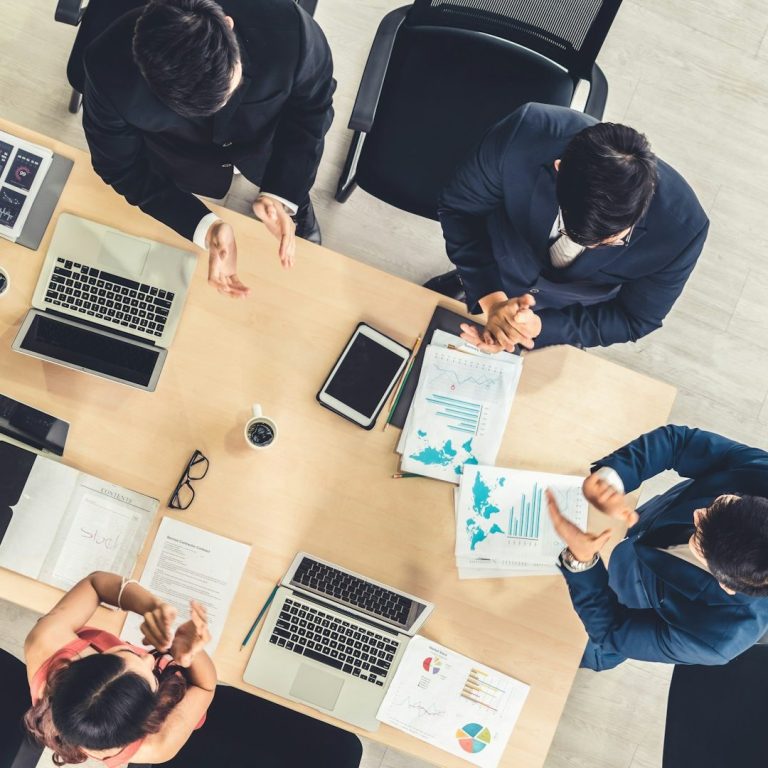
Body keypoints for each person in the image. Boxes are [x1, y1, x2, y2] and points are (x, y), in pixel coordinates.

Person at [82, 0, 335, 298]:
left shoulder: (291, 31)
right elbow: (119, 166)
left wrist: (283, 192)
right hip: (184, 155)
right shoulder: (107, 69)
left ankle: (296, 208)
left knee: (293, 192)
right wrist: (204, 226)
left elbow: (312, 107)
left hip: (268, 141)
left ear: (227, 24)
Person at [429, 102, 709, 350]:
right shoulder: (523, 134)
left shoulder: (682, 231)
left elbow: (635, 317)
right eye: (568, 227)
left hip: (572, 304)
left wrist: (541, 328)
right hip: (504, 255)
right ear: (560, 168)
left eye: (609, 242)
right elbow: (460, 208)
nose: (583, 246)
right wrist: (491, 298)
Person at [546, 425, 768, 671]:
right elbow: (679, 443)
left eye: (699, 536)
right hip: (652, 520)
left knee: (574, 646)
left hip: (640, 596)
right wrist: (612, 479)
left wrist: (582, 562)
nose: (697, 513)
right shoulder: (763, 474)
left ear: (725, 584)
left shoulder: (716, 637)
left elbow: (613, 631)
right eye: (721, 502)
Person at [23, 571, 216, 765]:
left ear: (81, 661)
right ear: (149, 719)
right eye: (151, 677)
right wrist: (190, 655)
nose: (148, 656)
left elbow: (95, 583)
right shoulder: (157, 745)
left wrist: (150, 607)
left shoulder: (45, 642)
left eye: (128, 653)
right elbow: (205, 687)